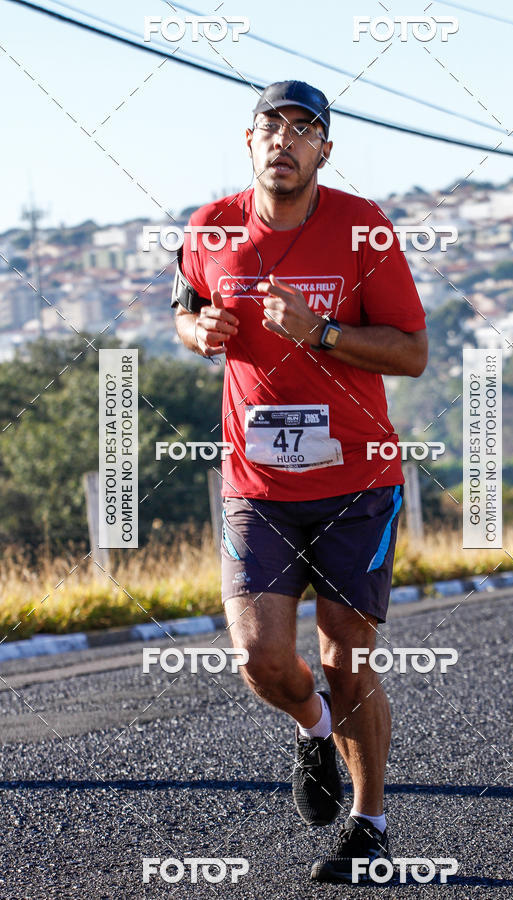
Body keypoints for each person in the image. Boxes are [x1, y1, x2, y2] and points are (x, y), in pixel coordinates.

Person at [172, 80, 428, 884]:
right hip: (257, 484)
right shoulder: (209, 229)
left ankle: (370, 825)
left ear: (326, 148)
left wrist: (320, 332)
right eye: (270, 128)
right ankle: (315, 729)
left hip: (356, 480)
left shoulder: (365, 230)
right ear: (247, 143)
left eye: (303, 128)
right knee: (261, 659)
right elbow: (185, 309)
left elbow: (411, 351)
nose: (285, 140)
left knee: (346, 657)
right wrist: (196, 330)